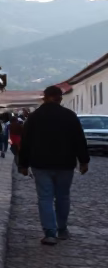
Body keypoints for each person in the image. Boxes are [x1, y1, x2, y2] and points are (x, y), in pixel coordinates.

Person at [18, 85, 91, 246]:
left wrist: (23, 164)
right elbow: (80, 139)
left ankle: (50, 233)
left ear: (44, 97)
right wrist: (84, 161)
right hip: (65, 163)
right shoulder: (70, 116)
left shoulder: (35, 117)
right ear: (60, 98)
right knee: (63, 196)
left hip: (41, 163)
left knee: (45, 197)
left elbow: (26, 142)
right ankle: (62, 229)